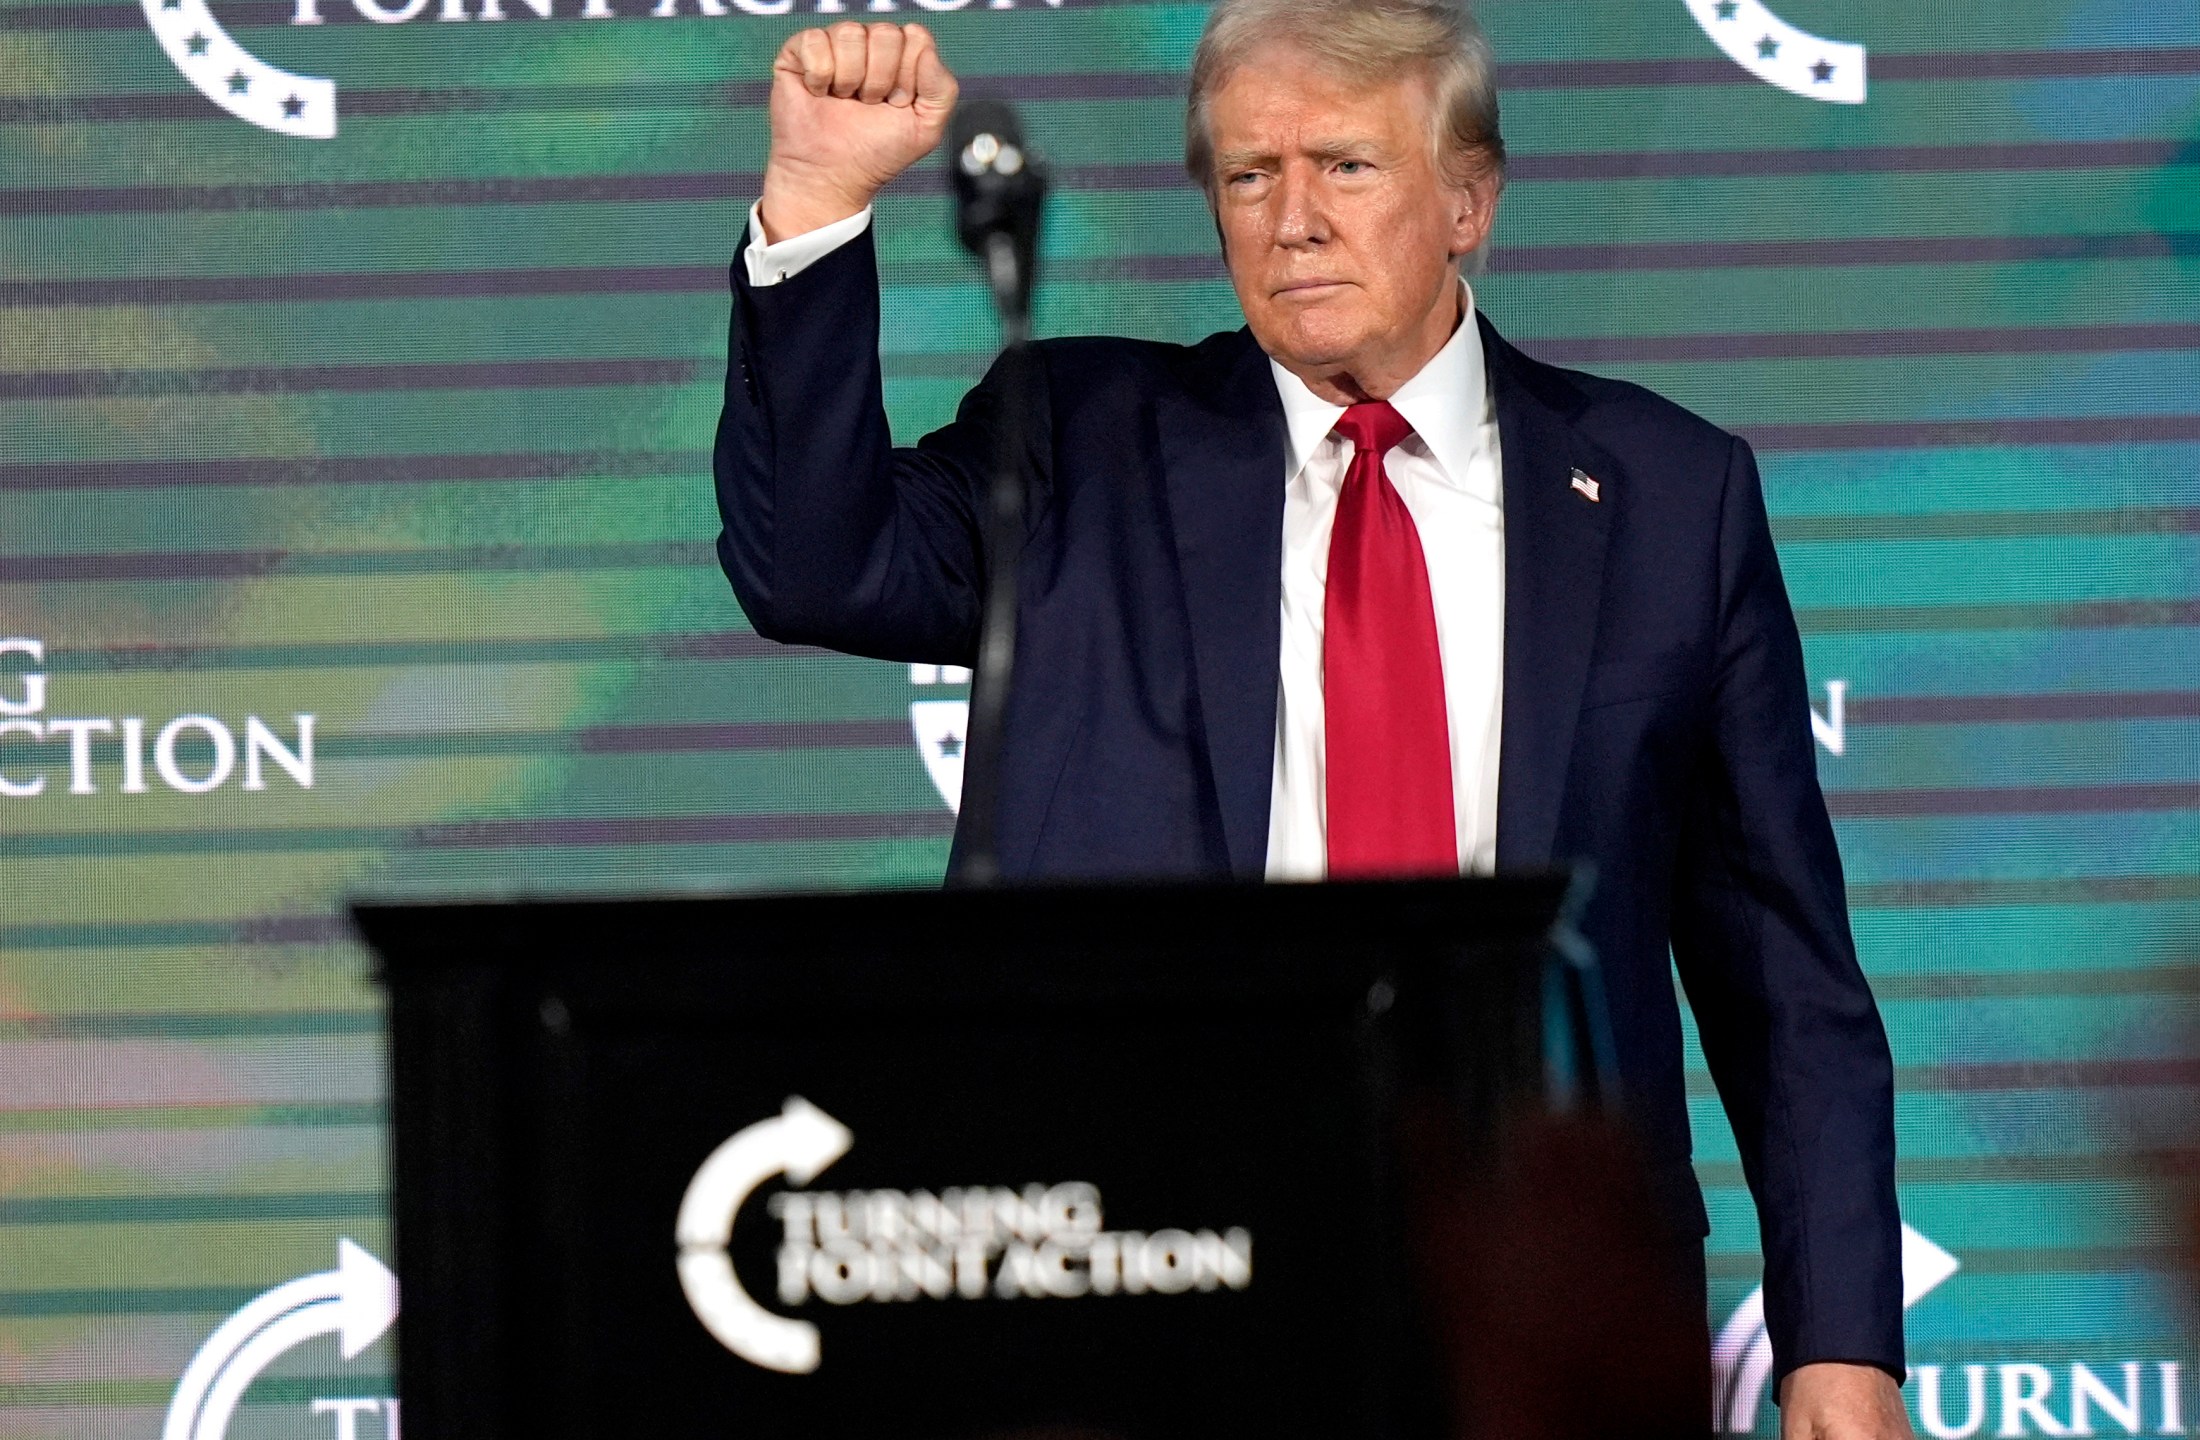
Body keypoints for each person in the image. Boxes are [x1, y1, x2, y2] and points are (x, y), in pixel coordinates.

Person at [712, 4, 1909, 1435]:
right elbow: (810, 566)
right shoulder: (1078, 442)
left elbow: (1784, 974)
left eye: (1344, 168)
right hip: (1148, 1276)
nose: (1291, 222)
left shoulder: (1668, 496)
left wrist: (1840, 1350)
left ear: (1469, 200)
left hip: (1544, 1298)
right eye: (1246, 174)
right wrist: (819, 209)